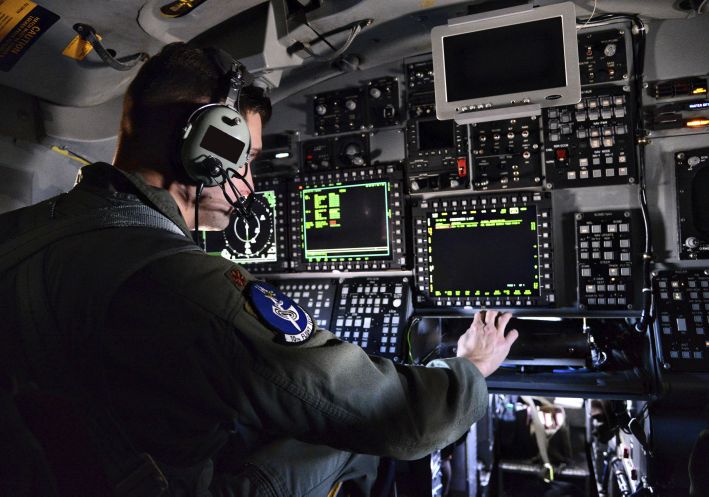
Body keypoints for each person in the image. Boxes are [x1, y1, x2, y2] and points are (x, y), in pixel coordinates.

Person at [0, 42, 518, 497]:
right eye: (242, 159)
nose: (247, 185)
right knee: (356, 438)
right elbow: (400, 417)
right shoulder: (188, 286)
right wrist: (468, 370)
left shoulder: (17, 232)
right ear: (201, 143)